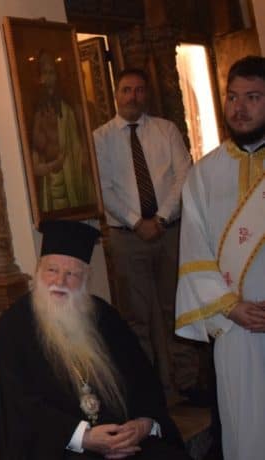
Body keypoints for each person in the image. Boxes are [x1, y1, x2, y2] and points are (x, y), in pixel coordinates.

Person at [0, 220, 188, 460]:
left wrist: (142, 424)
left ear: (86, 278)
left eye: (72, 274)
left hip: (126, 440)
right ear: (38, 271)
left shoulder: (105, 317)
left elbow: (143, 380)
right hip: (61, 447)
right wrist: (83, 436)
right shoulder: (15, 326)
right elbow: (18, 407)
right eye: (52, 270)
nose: (60, 282)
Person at [175, 55, 265, 460]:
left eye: (253, 97)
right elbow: (194, 253)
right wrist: (231, 307)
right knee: (245, 428)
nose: (239, 108)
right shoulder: (204, 174)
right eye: (232, 97)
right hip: (235, 328)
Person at [93, 68, 196, 396]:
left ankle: (188, 382)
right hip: (127, 237)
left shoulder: (166, 130)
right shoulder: (100, 138)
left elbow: (184, 175)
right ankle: (149, 389)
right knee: (136, 316)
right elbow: (104, 188)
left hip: (169, 232)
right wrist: (137, 222)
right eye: (126, 90)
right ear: (116, 94)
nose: (132, 96)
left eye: (139, 90)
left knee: (177, 308)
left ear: (146, 94)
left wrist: (161, 218)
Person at [30, 49, 94, 212]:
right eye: (44, 73)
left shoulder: (69, 109)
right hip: (51, 180)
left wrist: (82, 154)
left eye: (51, 72)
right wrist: (51, 164)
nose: (48, 77)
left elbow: (79, 143)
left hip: (71, 175)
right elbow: (36, 151)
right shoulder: (38, 112)